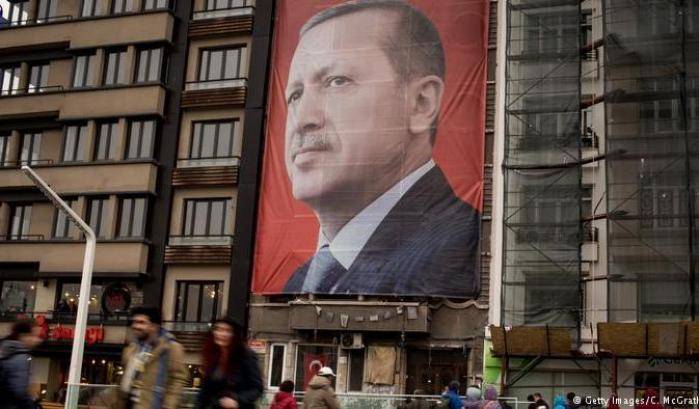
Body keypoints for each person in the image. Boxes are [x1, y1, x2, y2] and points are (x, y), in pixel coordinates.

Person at [281, 0, 480, 297]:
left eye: (337, 82)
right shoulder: (299, 282)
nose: (303, 119)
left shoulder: (460, 252)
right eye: (295, 95)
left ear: (420, 103)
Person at [112, 306, 188, 409]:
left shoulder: (171, 347)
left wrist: (169, 405)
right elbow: (124, 383)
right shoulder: (132, 349)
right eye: (134, 322)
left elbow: (178, 380)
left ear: (154, 326)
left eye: (141, 322)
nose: (135, 326)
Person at [197, 317, 263, 409]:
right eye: (218, 329)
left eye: (227, 331)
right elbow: (204, 391)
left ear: (234, 335)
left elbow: (257, 388)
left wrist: (237, 399)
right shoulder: (212, 356)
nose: (222, 334)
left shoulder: (246, 355)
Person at [0, 319, 43, 409]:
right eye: (34, 336)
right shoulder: (20, 357)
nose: (38, 340)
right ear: (23, 336)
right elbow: (20, 391)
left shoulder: (5, 352)